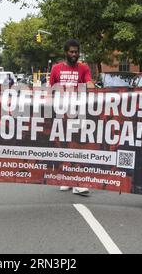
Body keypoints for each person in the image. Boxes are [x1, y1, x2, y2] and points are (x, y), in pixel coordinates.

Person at [50, 39, 94, 196]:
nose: (74, 54)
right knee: (63, 147)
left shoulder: (84, 68)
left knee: (77, 147)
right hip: (60, 115)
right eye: (71, 52)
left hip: (78, 114)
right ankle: (67, 179)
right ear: (66, 52)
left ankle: (78, 182)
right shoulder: (56, 68)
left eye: (76, 52)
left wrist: (94, 89)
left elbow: (89, 83)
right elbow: (51, 91)